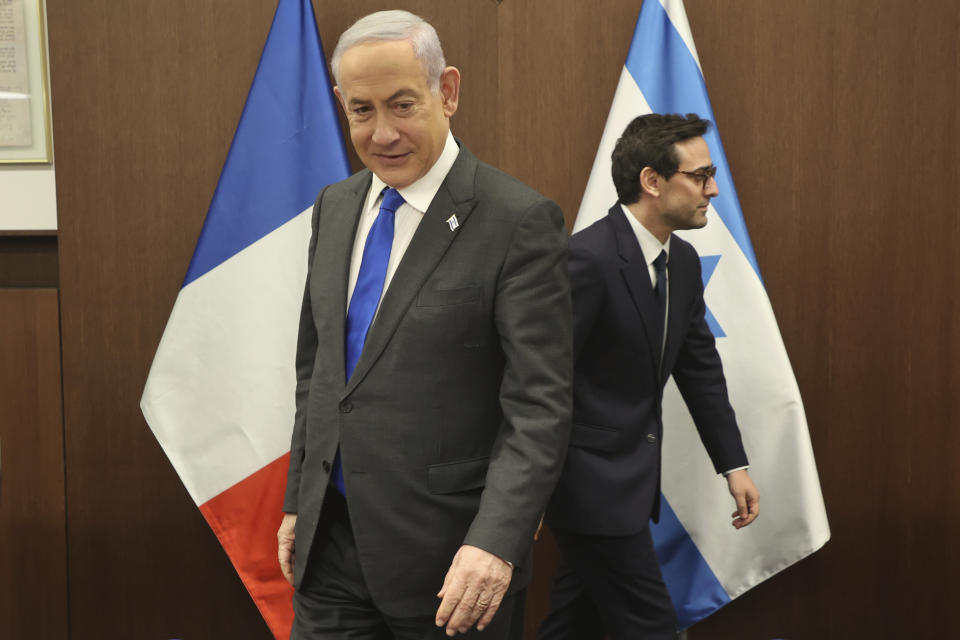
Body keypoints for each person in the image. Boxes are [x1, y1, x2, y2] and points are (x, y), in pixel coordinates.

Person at [276, 10, 572, 640]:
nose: (382, 132)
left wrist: (495, 542)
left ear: (449, 91)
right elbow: (320, 371)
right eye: (361, 110)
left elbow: (539, 408)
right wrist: (301, 499)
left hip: (453, 569)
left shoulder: (516, 220)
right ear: (341, 105)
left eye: (402, 104)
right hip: (330, 553)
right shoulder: (335, 206)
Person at [538, 113, 760, 640]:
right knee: (652, 626)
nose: (714, 189)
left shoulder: (681, 262)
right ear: (652, 182)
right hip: (587, 486)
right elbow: (541, 384)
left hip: (630, 486)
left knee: (574, 619)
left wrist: (734, 464)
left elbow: (699, 369)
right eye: (700, 176)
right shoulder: (585, 260)